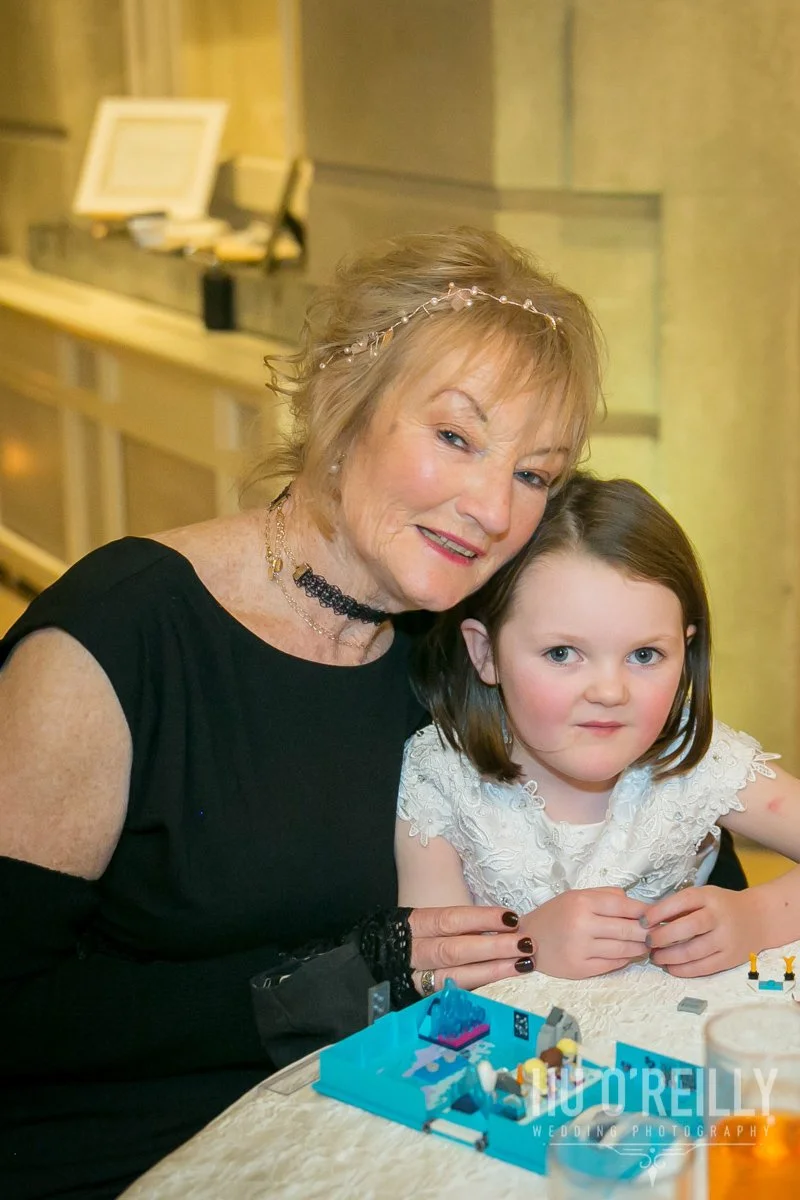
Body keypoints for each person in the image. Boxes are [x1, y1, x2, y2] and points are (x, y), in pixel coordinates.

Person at [0, 228, 607, 1199]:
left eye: (533, 473)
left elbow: (626, 810)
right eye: (455, 438)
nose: (494, 509)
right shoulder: (121, 641)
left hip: (391, 1115)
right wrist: (329, 979)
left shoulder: (463, 641)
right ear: (339, 400)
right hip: (141, 1154)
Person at [397, 474, 800, 983]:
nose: (610, 692)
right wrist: (528, 942)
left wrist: (757, 917)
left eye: (644, 655)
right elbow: (429, 977)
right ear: (485, 653)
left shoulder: (698, 761)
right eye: (562, 653)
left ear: (685, 650)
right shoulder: (441, 775)